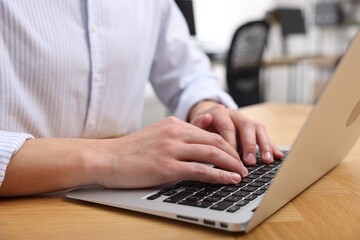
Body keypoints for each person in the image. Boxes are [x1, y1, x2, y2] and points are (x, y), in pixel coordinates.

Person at [0, 0, 283, 197]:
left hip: (122, 198)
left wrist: (208, 107)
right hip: (22, 205)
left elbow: (187, 73)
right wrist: (112, 157)